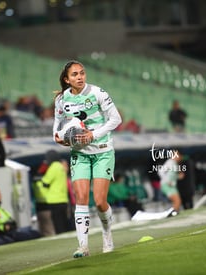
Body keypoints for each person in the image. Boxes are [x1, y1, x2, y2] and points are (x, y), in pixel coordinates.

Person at [53, 60, 122, 258]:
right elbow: (57, 125)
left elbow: (116, 119)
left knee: (100, 201)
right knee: (81, 199)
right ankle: (83, 247)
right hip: (79, 154)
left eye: (82, 73)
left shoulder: (98, 93)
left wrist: (94, 134)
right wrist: (58, 138)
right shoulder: (61, 100)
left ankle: (107, 235)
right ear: (67, 79)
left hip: (102, 151)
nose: (80, 77)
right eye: (75, 74)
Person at [32, 150, 70, 235]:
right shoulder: (61, 167)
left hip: (54, 200)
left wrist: (39, 177)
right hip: (63, 198)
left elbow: (46, 182)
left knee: (58, 224)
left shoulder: (54, 166)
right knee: (64, 223)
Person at [157, 150, 184, 216]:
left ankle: (173, 214)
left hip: (172, 186)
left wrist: (178, 176)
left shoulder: (175, 164)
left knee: (177, 201)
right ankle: (172, 214)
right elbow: (160, 172)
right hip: (167, 185)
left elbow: (171, 176)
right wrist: (167, 181)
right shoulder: (170, 162)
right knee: (177, 201)